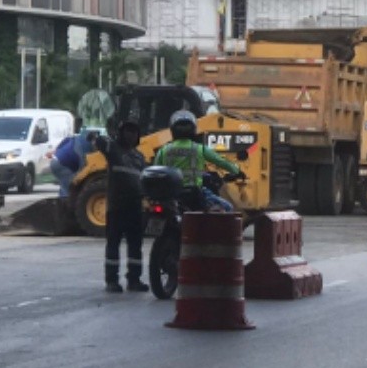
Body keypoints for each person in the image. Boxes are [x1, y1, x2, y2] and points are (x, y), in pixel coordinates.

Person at [91, 121, 148, 294]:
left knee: (135, 245)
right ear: (121, 134)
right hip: (117, 206)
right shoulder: (113, 150)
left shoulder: (139, 157)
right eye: (127, 131)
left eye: (134, 132)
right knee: (113, 244)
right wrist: (96, 136)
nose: (131, 135)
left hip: (135, 207)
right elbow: (101, 142)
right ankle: (112, 281)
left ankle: (134, 280)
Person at [153, 110, 242, 213]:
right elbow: (222, 162)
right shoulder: (200, 149)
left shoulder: (164, 150)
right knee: (227, 207)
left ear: (172, 130)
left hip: (170, 195)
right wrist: (236, 170)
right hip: (194, 194)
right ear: (193, 130)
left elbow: (156, 171)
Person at [50, 117, 87, 198]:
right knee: (70, 187)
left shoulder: (74, 138)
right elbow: (83, 164)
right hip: (63, 164)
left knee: (64, 184)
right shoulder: (84, 145)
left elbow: (61, 145)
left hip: (55, 160)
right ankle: (65, 206)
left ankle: (62, 202)